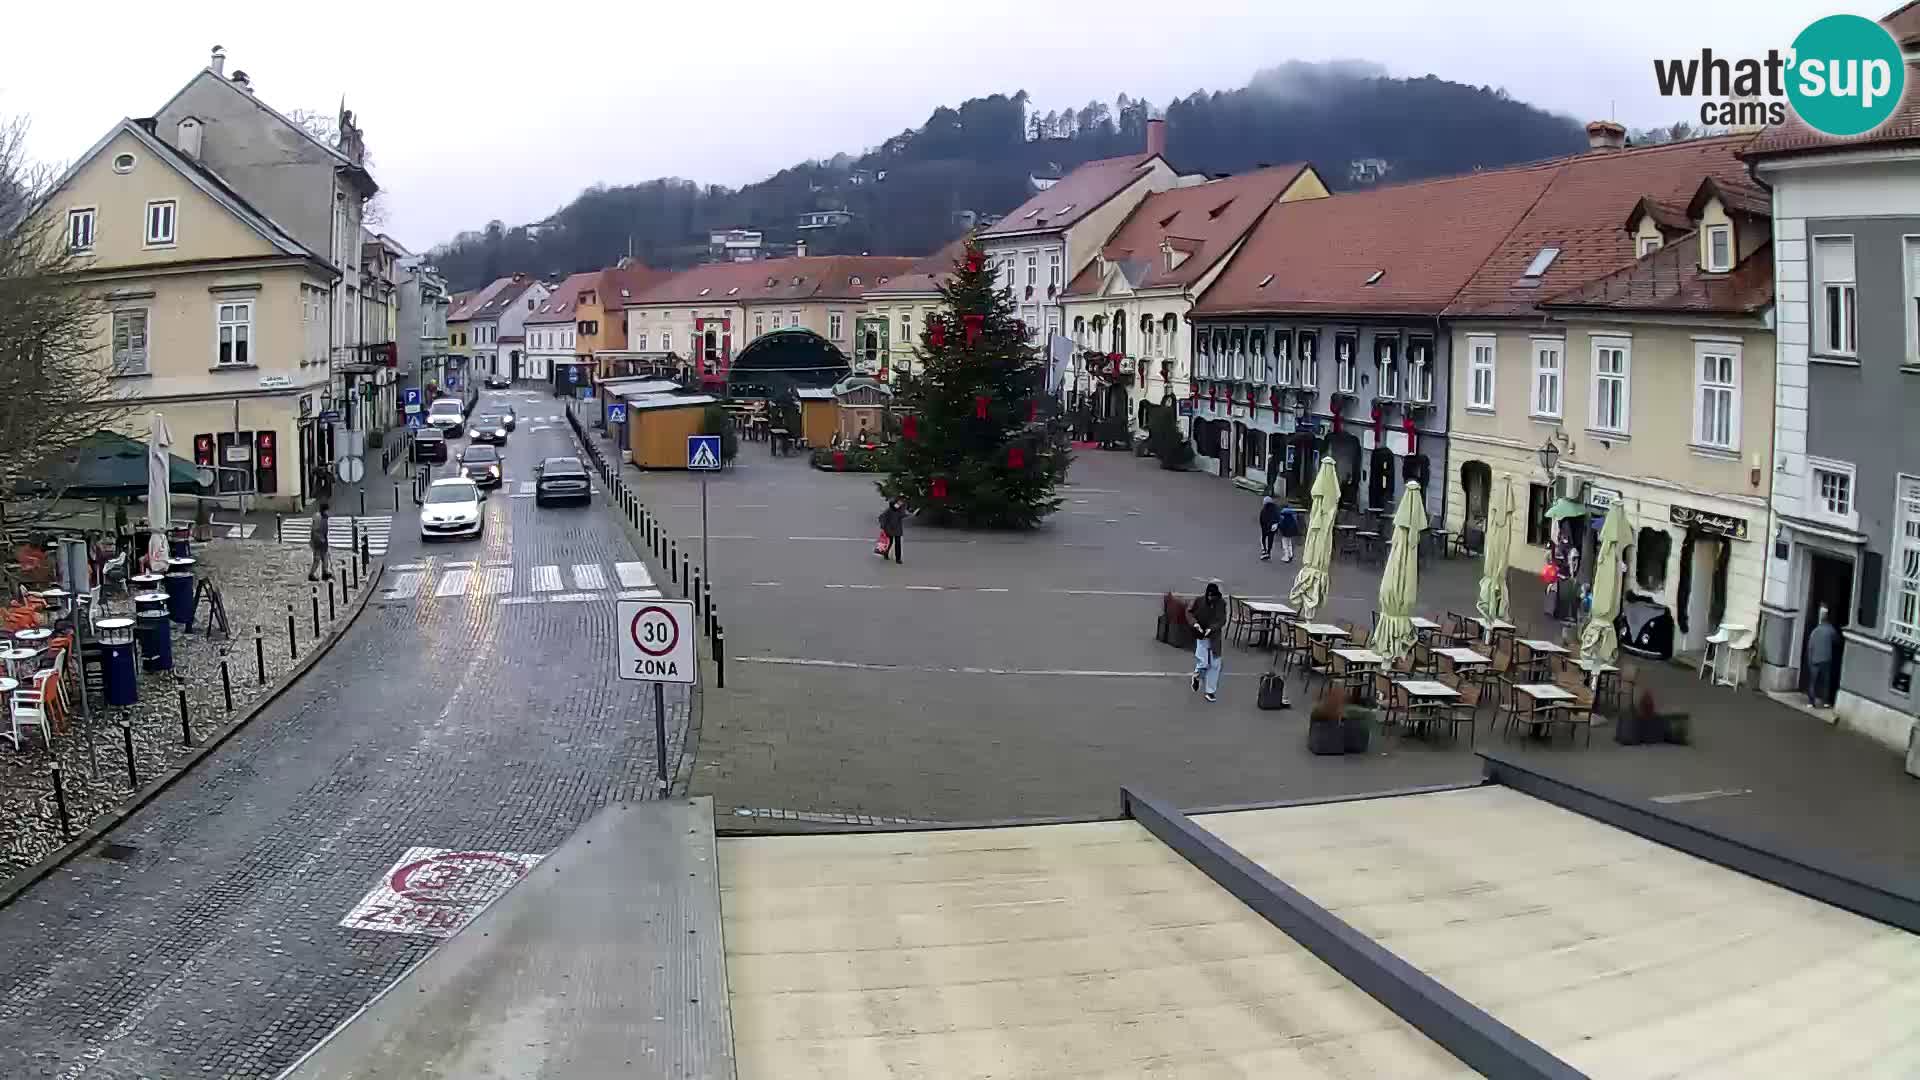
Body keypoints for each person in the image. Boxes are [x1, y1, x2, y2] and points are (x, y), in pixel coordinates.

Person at [1188, 580, 1228, 702]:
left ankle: (1210, 691)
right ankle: (1197, 676)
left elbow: (1222, 620)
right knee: (1204, 663)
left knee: (1215, 664)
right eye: (1209, 596)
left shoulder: (1221, 604)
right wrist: (1195, 625)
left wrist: (1211, 628)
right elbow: (1189, 613)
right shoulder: (1198, 601)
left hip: (1214, 637)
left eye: (1213, 596)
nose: (1211, 598)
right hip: (1201, 636)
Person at [1807, 605, 1840, 708]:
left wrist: (1810, 660)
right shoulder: (1830, 630)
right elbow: (1837, 641)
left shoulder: (1815, 631)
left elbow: (1810, 647)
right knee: (1826, 682)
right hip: (1826, 659)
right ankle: (1825, 702)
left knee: (1813, 682)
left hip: (1815, 660)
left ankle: (1811, 702)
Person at [308, 502, 332, 581]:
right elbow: (315, 530)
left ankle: (325, 573)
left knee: (325, 557)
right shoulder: (319, 518)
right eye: (327, 510)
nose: (328, 511)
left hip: (323, 540)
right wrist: (319, 539)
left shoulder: (324, 517)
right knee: (317, 559)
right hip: (318, 542)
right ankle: (311, 574)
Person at [877, 499, 905, 565]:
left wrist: (914, 513)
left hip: (897, 530)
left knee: (897, 544)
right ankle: (886, 553)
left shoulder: (899, 510)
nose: (897, 506)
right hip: (890, 530)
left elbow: (904, 514)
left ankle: (898, 558)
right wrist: (883, 527)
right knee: (890, 542)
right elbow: (881, 518)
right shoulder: (888, 511)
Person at [1259, 496, 1281, 561]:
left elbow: (1262, 519)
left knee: (1263, 538)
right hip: (1273, 527)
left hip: (1266, 527)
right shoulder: (1276, 508)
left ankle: (1264, 551)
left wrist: (1263, 527)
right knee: (1270, 539)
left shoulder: (1264, 509)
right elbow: (1278, 517)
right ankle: (1269, 552)